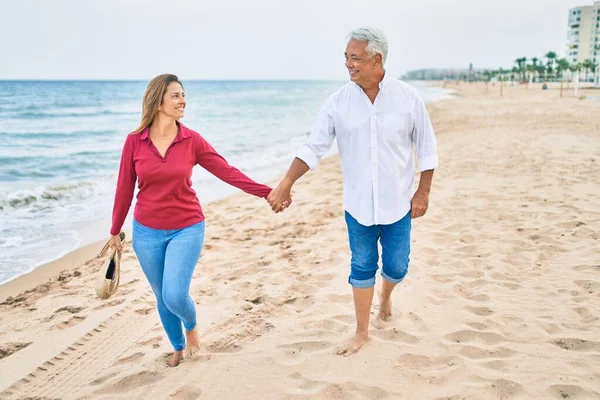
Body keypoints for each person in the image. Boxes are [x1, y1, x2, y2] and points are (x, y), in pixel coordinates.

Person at [267, 28, 438, 356]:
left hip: (398, 203)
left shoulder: (407, 98)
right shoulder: (338, 103)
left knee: (398, 266)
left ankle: (386, 297)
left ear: (377, 59)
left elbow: (427, 148)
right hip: (358, 204)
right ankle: (361, 332)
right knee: (362, 265)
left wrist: (423, 193)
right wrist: (287, 182)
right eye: (346, 57)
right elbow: (314, 146)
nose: (348, 64)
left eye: (355, 58)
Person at [109, 74, 280, 367]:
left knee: (175, 294)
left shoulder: (192, 140)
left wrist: (266, 192)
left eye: (183, 95)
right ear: (158, 100)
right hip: (146, 232)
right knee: (161, 295)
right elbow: (124, 187)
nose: (183, 101)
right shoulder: (134, 142)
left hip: (187, 227)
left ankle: (191, 326)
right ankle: (178, 346)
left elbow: (227, 171)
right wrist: (115, 232)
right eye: (176, 95)